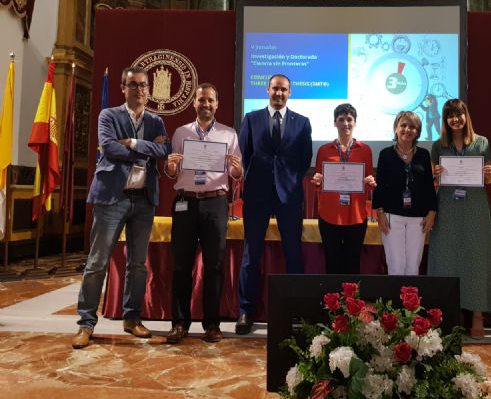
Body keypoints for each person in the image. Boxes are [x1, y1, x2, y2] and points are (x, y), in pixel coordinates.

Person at [72, 66, 171, 349]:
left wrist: (134, 142)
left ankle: (132, 318)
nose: (139, 90)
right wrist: (146, 149)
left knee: (137, 265)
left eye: (143, 85)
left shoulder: (156, 121)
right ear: (123, 88)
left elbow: (164, 150)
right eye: (133, 85)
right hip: (112, 198)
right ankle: (86, 323)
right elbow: (109, 148)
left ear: (149, 90)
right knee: (97, 262)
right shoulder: (108, 115)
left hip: (143, 200)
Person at [164, 83, 243, 344]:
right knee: (181, 265)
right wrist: (171, 167)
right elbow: (173, 172)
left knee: (215, 266)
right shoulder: (181, 132)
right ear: (194, 103)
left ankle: (211, 324)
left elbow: (236, 173)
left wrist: (236, 169)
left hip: (215, 203)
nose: (205, 104)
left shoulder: (229, 134)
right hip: (185, 202)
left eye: (210, 100)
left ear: (217, 104)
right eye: (201, 100)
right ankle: (179, 323)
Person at [236, 73, 312, 334]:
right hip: (257, 194)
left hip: (289, 196)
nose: (279, 93)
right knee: (251, 254)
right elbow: (245, 154)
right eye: (275, 89)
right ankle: (246, 311)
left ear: (290, 93)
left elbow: (304, 159)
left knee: (293, 253)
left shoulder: (302, 122)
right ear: (267, 90)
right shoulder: (251, 119)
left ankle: (295, 312)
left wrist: (287, 180)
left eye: (284, 89)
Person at [427, 99, 491, 339]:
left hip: (474, 208)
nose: (455, 119)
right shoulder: (438, 146)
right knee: (446, 259)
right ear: (445, 120)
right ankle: (449, 315)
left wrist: (489, 174)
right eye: (450, 115)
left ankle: (477, 315)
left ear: (466, 116)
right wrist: (434, 175)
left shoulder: (481, 142)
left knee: (476, 258)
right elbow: (433, 181)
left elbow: (489, 179)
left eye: (458, 114)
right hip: (447, 207)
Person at [311, 103, 376, 274]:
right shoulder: (324, 150)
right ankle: (333, 293)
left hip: (356, 215)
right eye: (341, 119)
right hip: (329, 214)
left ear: (355, 122)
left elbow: (368, 182)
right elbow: (319, 183)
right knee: (332, 263)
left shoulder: (365, 150)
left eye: (349, 119)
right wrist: (317, 181)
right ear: (335, 123)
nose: (345, 123)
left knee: (353, 264)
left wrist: (371, 182)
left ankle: (352, 293)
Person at [372, 111, 437, 275]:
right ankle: (396, 294)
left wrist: (432, 212)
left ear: (418, 131)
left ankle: (411, 293)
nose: (407, 129)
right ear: (396, 128)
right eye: (403, 125)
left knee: (413, 266)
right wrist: (380, 213)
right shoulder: (385, 154)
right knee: (396, 265)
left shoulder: (424, 154)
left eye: (412, 127)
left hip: (418, 217)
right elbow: (380, 186)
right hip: (392, 215)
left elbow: (429, 186)